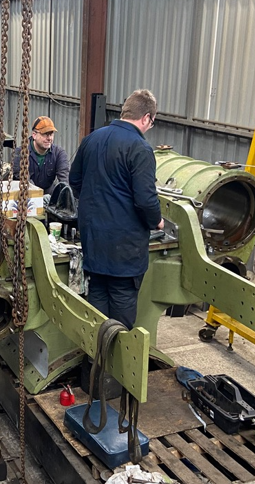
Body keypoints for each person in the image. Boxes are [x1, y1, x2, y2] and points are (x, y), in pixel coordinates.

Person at [68, 89, 164, 329]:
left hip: (94, 242)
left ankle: (95, 364)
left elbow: (75, 180)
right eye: (151, 123)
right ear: (146, 118)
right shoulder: (140, 149)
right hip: (124, 252)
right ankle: (116, 365)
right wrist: (157, 221)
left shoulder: (92, 139)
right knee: (120, 321)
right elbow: (145, 200)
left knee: (97, 313)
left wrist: (96, 205)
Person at [11, 116, 70, 195]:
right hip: (26, 195)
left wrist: (65, 196)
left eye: (51, 134)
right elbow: (24, 179)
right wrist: (38, 197)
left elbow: (64, 179)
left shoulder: (59, 154)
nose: (49, 138)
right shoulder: (21, 152)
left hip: (48, 194)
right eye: (45, 134)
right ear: (34, 135)